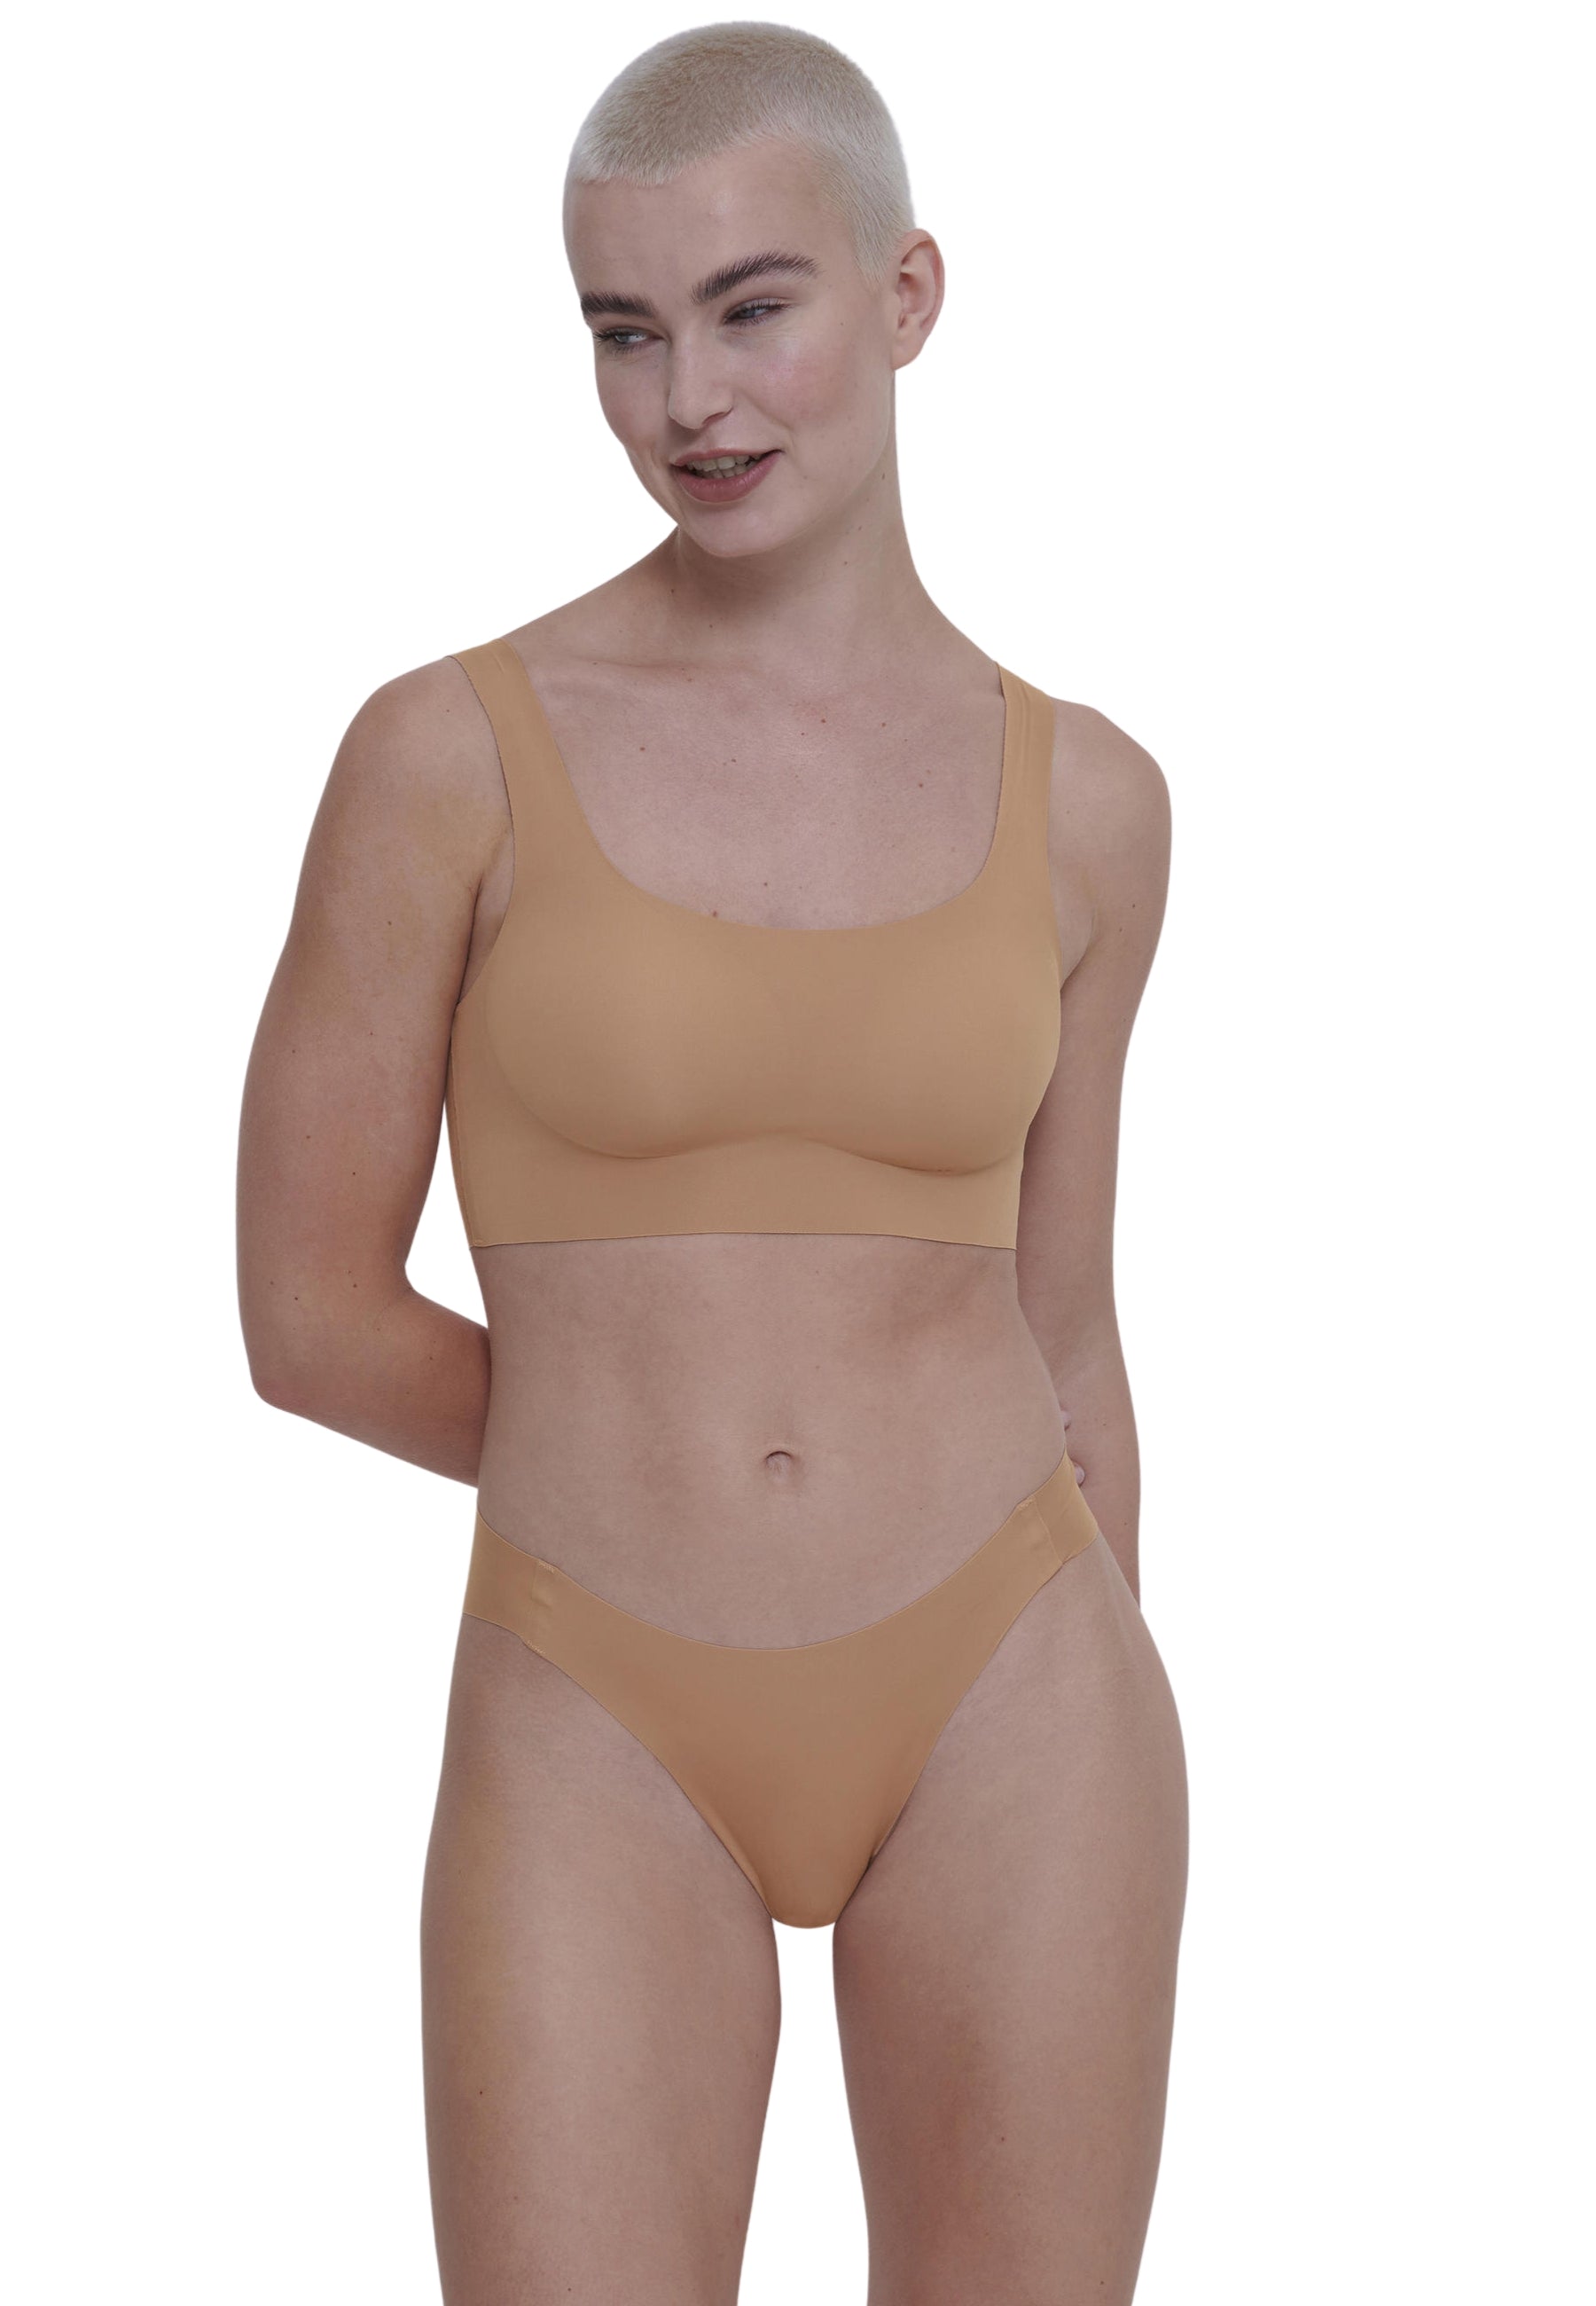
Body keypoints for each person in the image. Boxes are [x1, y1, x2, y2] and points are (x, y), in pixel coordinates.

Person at [237, 20, 1187, 2301]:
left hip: (1013, 1683)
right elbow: (306, 1318)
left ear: (908, 294)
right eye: (625, 330)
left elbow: (1065, 1324)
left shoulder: (1091, 804)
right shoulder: (450, 755)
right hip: (598, 1684)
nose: (689, 399)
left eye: (754, 309)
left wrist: (1121, 1654)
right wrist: (620, 1441)